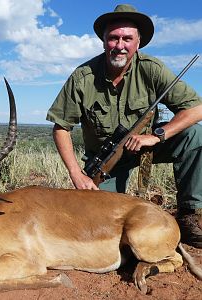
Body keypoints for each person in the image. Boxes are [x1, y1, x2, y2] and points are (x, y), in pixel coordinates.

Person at [46, 4, 202, 248]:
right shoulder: (82, 76)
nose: (120, 45)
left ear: (138, 43)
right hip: (105, 160)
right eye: (113, 38)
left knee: (196, 135)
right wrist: (77, 175)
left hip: (144, 147)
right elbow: (61, 128)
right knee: (98, 223)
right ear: (104, 41)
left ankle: (188, 215)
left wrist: (158, 135)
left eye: (127, 38)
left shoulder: (152, 69)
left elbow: (195, 109)